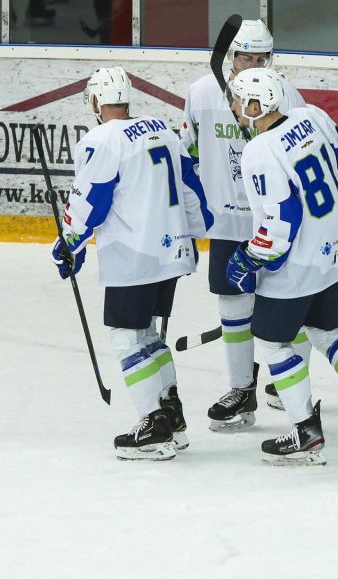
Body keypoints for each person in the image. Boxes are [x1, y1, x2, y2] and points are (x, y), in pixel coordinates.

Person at [227, 67, 338, 465]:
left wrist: (249, 258)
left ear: (256, 105)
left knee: (274, 342)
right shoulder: (311, 118)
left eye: (239, 100)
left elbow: (280, 221)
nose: (235, 107)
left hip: (299, 266)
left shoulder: (258, 151)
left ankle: (305, 433)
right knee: (328, 330)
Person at [52, 66, 211, 460]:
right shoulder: (161, 129)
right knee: (148, 336)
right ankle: (172, 418)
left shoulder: (101, 139)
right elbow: (192, 187)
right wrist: (193, 234)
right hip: (172, 251)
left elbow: (92, 199)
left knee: (126, 338)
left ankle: (154, 425)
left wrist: (68, 242)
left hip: (135, 256)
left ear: (95, 101)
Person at [180, 18, 308, 432]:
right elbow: (190, 152)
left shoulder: (285, 93)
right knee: (234, 308)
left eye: (261, 57)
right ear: (230, 56)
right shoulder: (202, 94)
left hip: (276, 221)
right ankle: (241, 390)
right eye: (246, 56)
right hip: (228, 222)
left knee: (290, 308)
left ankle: (298, 392)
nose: (254, 64)